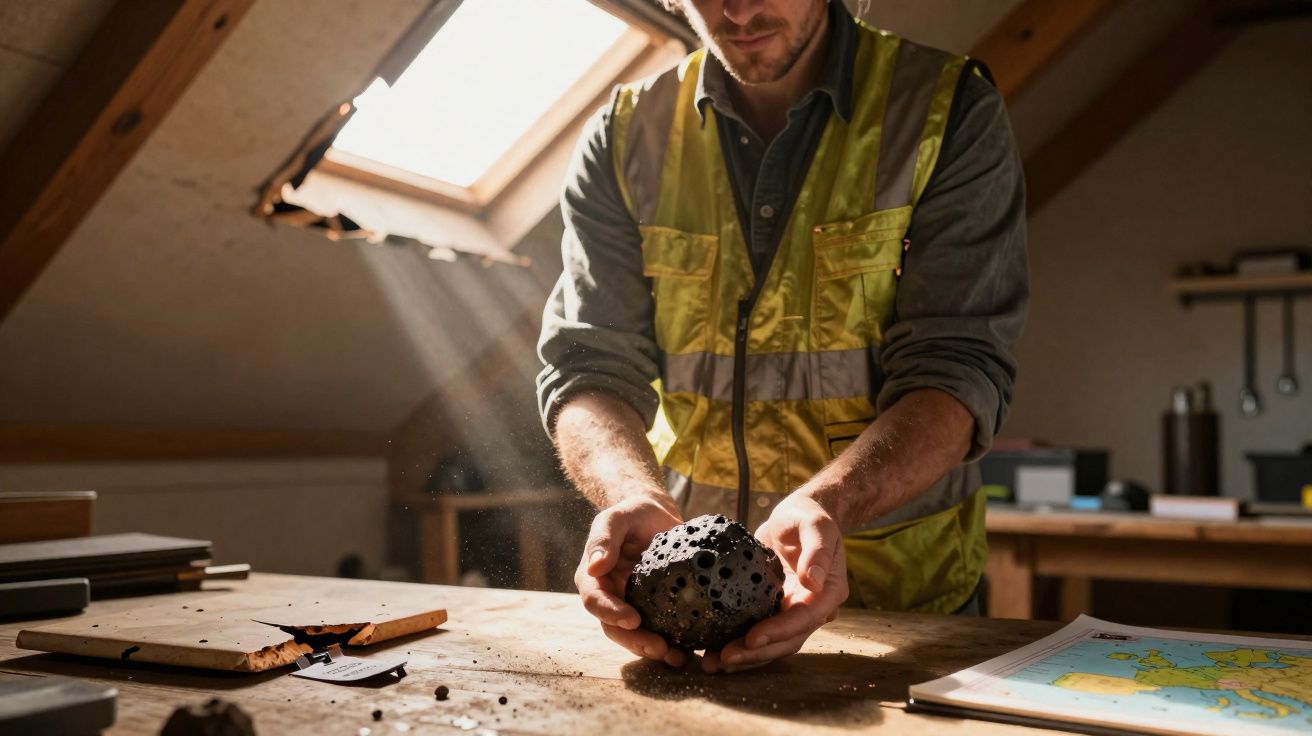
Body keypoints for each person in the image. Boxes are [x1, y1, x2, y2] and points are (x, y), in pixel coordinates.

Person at [536, 0, 1027, 674]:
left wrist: (830, 503)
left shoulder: (945, 112)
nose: (737, 7)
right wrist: (631, 496)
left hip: (906, 615)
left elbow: (958, 371)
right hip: (690, 618)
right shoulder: (623, 136)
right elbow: (588, 367)